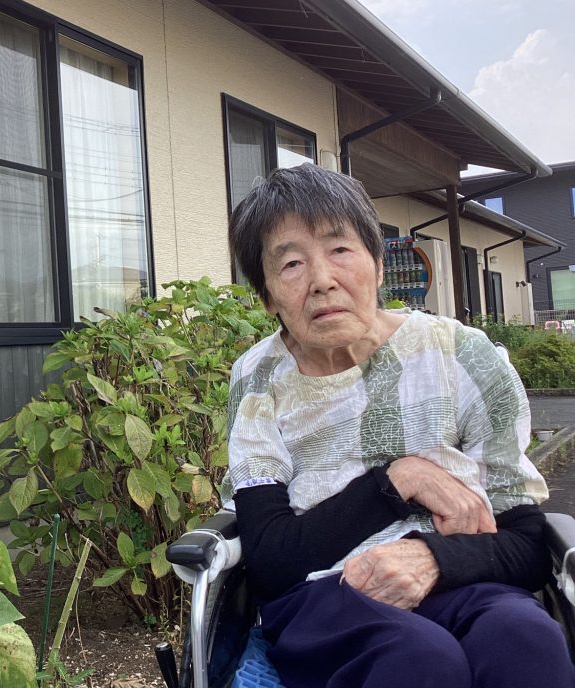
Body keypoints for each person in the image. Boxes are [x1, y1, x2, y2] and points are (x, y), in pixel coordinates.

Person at [222, 163, 574, 688]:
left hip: (462, 576)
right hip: (320, 597)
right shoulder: (259, 380)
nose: (322, 280)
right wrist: (397, 480)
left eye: (340, 249)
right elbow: (272, 561)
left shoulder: (460, 356)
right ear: (269, 296)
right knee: (419, 659)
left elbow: (524, 544)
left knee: (525, 640)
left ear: (379, 265)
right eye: (291, 263)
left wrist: (432, 558)